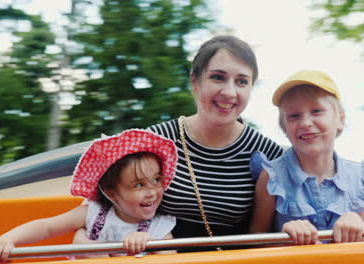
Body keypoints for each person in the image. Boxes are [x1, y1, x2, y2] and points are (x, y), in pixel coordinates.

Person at [73, 35, 284, 251]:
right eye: (218, 77)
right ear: (195, 81)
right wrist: (81, 238)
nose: (229, 92)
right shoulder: (154, 141)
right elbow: (99, 202)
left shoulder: (269, 154)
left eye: (242, 81)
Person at [0, 129, 178, 263]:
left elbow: (172, 258)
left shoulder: (159, 228)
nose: (152, 191)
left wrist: (151, 244)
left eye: (156, 180)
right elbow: (47, 226)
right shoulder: (93, 213)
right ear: (111, 193)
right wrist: (7, 240)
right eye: (138, 185)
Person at [249, 70, 364, 245]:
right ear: (284, 127)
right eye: (294, 116)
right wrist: (285, 239)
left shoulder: (357, 177)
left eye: (316, 111)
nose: (306, 123)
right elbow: (255, 240)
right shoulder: (272, 177)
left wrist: (359, 224)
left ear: (340, 119)